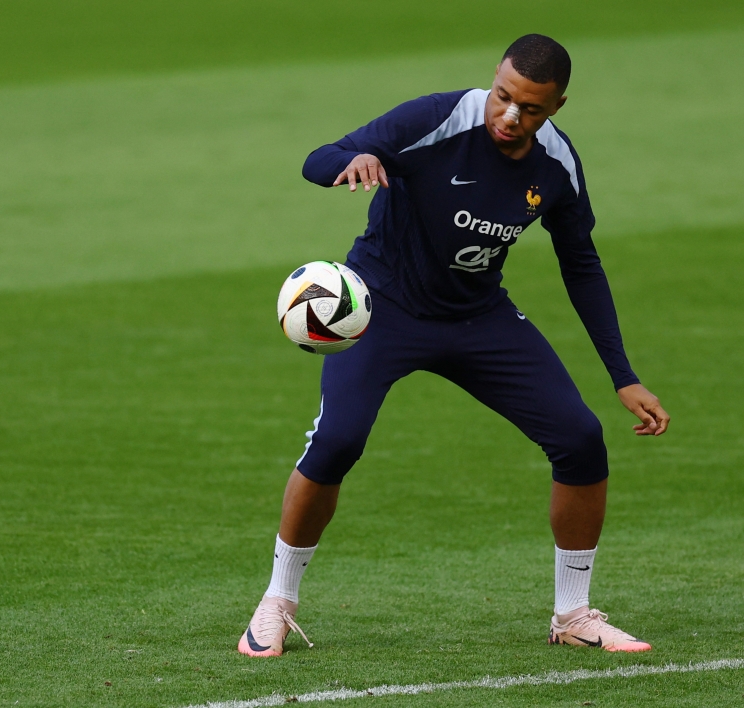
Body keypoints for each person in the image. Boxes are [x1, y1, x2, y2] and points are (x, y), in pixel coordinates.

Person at [239, 34, 670, 658]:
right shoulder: (438, 119)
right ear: (493, 81)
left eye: (532, 108)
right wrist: (350, 163)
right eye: (503, 96)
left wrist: (622, 375)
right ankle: (276, 601)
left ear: (558, 107)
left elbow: (581, 263)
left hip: (477, 317)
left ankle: (572, 613)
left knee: (580, 438)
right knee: (336, 441)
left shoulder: (556, 164)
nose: (511, 116)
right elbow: (317, 156)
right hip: (380, 309)